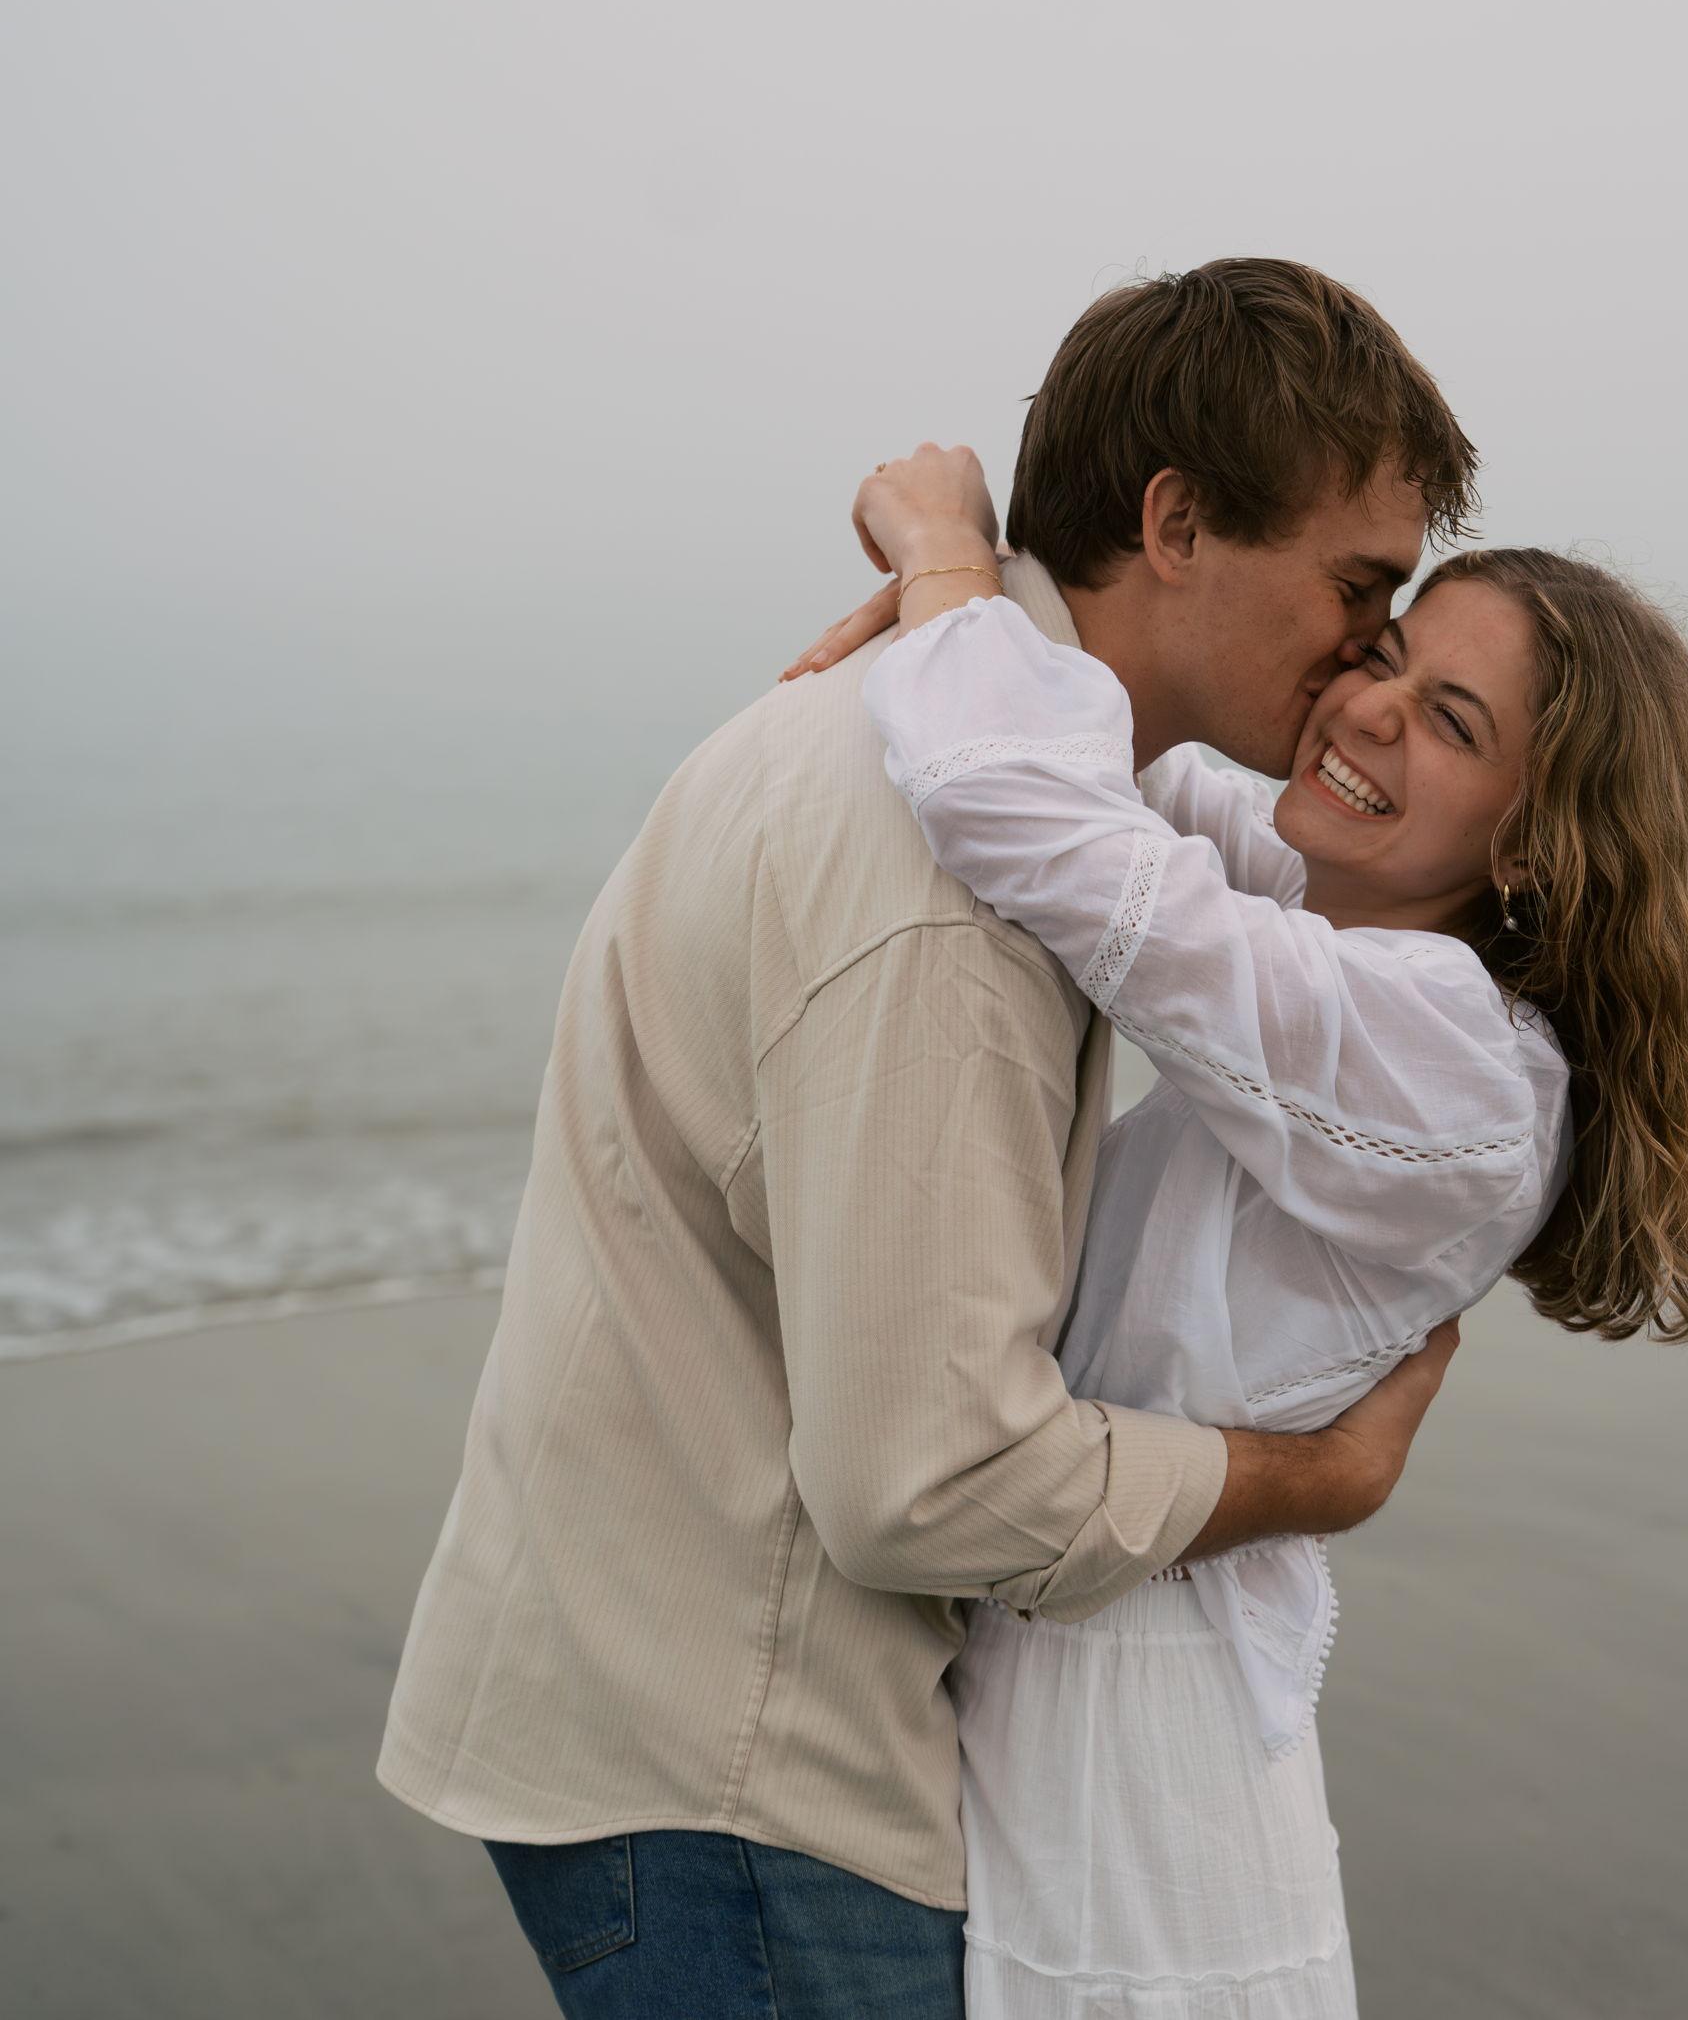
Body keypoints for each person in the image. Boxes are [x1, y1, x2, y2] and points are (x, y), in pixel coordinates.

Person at [376, 259, 1486, 2018]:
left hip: (654, 1707)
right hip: (747, 1779)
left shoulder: (996, 758)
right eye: (1359, 590)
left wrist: (952, 573)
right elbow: (934, 1476)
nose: (1370, 652)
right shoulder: (954, 881)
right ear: (1178, 520)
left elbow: (1278, 902)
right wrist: (1308, 1479)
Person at [784, 444, 1688, 2016]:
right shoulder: (1349, 923)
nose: (1373, 708)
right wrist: (1017, 628)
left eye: (1454, 722)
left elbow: (1026, 802)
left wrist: (942, 554)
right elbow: (1135, 756)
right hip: (1066, 1658)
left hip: (1140, 1749)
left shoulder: (1447, 1051)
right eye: (1386, 652)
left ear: (1534, 845)